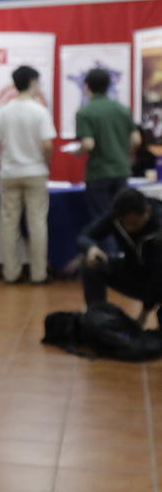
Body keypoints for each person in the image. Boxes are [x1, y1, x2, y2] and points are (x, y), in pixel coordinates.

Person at [0, 66, 56, 284]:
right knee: (37, 223)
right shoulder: (40, 111)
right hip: (35, 171)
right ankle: (39, 274)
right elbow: (47, 144)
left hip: (9, 172)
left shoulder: (3, 111)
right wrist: (45, 160)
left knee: (9, 223)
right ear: (32, 82)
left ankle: (11, 273)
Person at [78, 188, 162, 325]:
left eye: (134, 224)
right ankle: (97, 319)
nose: (128, 229)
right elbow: (84, 236)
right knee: (91, 264)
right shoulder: (118, 217)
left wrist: (144, 313)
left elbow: (159, 276)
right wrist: (91, 249)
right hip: (134, 272)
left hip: (158, 280)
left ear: (147, 211)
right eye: (124, 224)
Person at [76, 67, 141, 221]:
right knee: (123, 217)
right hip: (121, 169)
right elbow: (136, 140)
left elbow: (88, 144)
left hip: (99, 171)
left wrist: (78, 151)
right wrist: (128, 157)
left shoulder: (85, 112)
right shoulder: (122, 109)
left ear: (87, 86)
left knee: (102, 220)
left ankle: (107, 246)